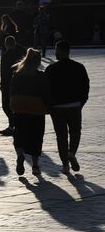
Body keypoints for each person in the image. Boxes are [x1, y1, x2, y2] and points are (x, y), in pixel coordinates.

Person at [44, 40, 90, 175]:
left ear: (61, 51)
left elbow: (45, 88)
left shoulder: (51, 69)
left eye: (56, 50)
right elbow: (85, 86)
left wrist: (49, 105)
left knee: (61, 136)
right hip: (74, 105)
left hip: (56, 107)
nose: (55, 53)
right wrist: (81, 102)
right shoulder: (79, 67)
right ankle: (72, 153)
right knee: (75, 131)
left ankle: (65, 165)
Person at [10, 48, 51, 176]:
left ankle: (20, 154)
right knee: (36, 137)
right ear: (38, 61)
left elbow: (11, 91)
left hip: (19, 109)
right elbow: (46, 93)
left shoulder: (17, 75)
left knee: (19, 135)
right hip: (36, 110)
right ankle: (35, 165)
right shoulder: (40, 76)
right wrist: (49, 106)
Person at [0, 36, 25, 136]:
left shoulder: (5, 55)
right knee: (17, 105)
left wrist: (2, 84)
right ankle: (16, 125)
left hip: (8, 84)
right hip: (19, 83)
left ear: (6, 44)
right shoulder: (20, 54)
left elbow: (3, 71)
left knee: (6, 105)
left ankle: (12, 125)